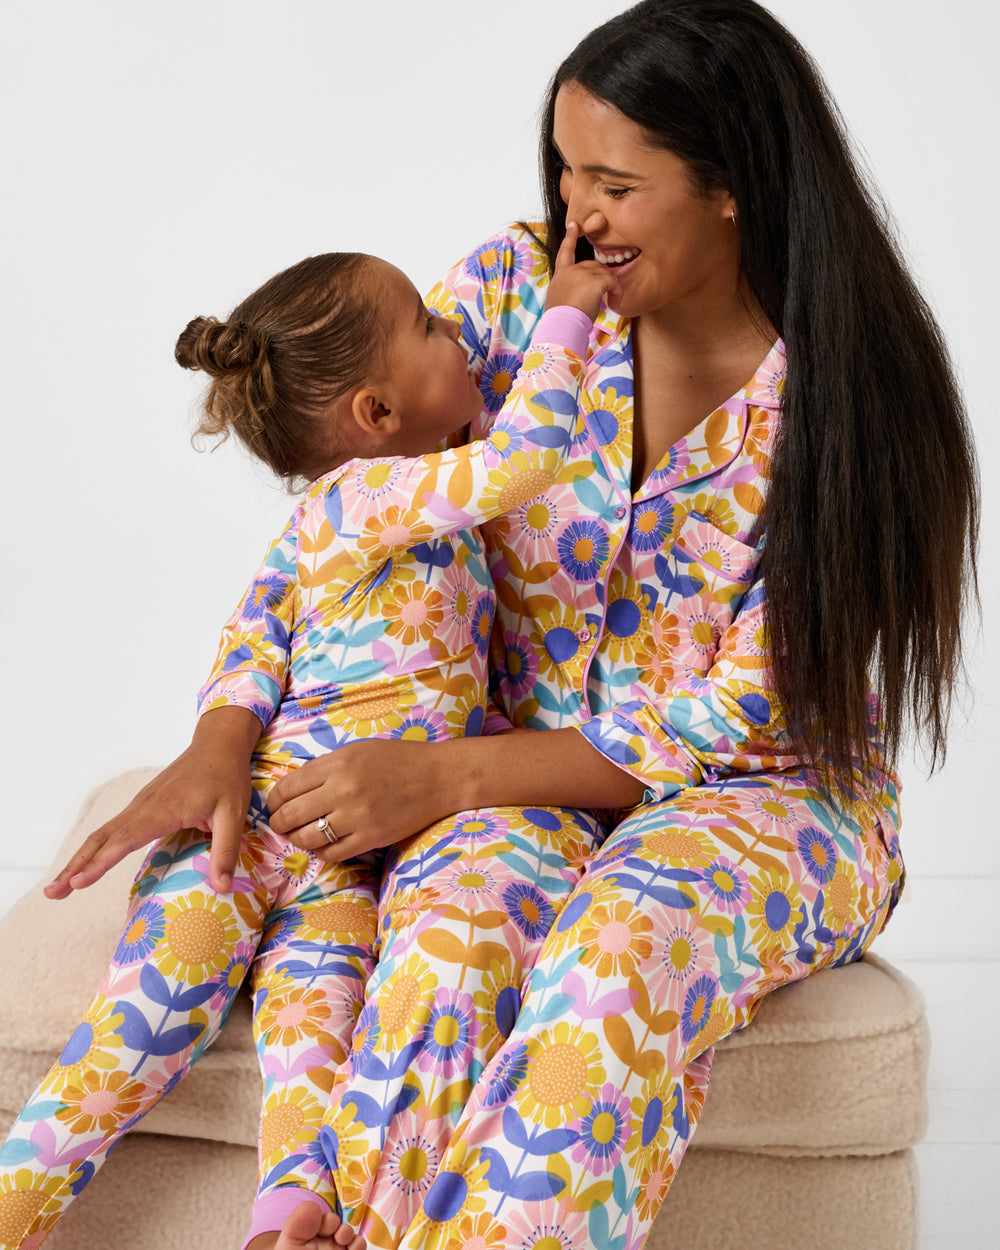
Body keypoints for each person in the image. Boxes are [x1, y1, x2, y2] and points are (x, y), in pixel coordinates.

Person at [247, 2, 976, 1248]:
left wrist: (444, 774)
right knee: (452, 939)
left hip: (768, 795)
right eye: (566, 170)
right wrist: (229, 724)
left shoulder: (852, 399)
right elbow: (349, 514)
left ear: (733, 185)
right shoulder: (506, 296)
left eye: (617, 185)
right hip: (515, 775)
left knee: (619, 947)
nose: (577, 213)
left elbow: (728, 722)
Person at [0, 233, 621, 1250]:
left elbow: (257, 638)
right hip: (239, 841)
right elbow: (527, 459)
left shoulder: (352, 526)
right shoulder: (368, 498)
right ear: (375, 416)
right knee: (126, 1047)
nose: (458, 332)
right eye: (430, 326)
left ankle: (282, 1228)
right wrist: (568, 312)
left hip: (339, 865)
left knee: (312, 1063)